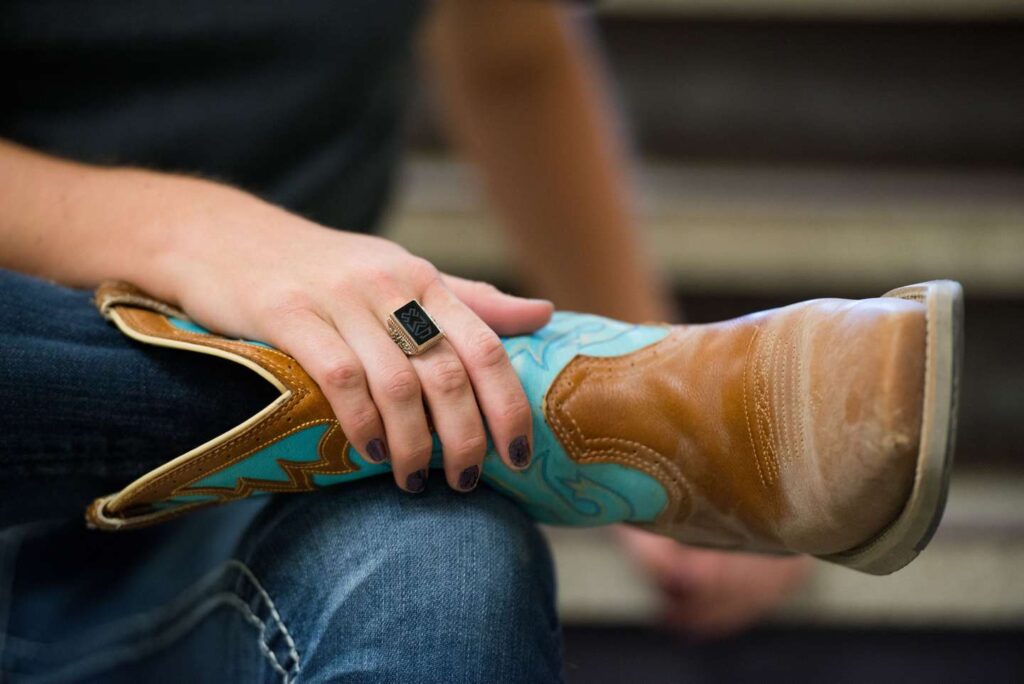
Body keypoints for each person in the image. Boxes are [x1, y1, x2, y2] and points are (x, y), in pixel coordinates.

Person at [1, 1, 821, 681]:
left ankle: (567, 406)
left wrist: (673, 431)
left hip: (285, 488)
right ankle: (519, 404)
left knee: (451, 573)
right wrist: (197, 236)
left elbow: (514, 60)